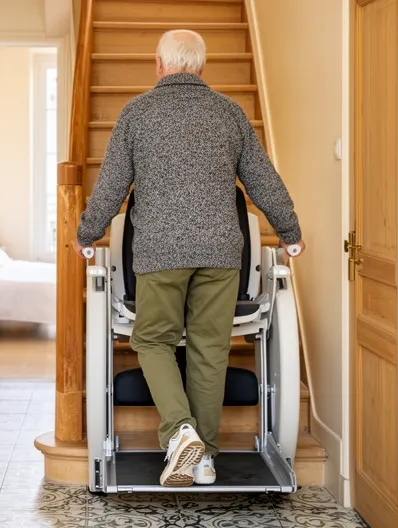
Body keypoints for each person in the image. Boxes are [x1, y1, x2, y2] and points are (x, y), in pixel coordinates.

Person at [73, 29, 305, 487]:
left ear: (159, 66)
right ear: (200, 67)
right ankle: (204, 460)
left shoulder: (137, 113)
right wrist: (290, 229)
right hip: (222, 252)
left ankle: (180, 431)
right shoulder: (229, 113)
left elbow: (113, 185)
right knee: (210, 350)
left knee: (154, 341)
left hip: (161, 250)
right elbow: (263, 180)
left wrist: (87, 232)